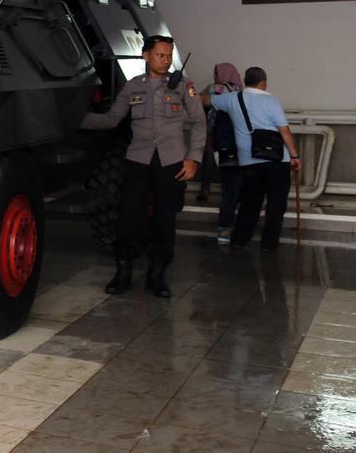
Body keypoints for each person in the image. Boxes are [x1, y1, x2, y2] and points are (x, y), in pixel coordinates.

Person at [81, 35, 205, 298]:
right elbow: (112, 119)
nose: (166, 60)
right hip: (138, 159)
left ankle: (157, 275)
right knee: (129, 217)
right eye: (160, 55)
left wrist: (193, 158)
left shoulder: (183, 86)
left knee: (165, 219)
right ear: (145, 56)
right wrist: (75, 120)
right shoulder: (133, 86)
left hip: (171, 161)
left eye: (169, 55)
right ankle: (123, 271)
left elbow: (199, 122)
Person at [205, 67, 301, 253]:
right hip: (276, 159)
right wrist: (295, 156)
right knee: (276, 204)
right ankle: (268, 245)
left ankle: (239, 239)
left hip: (248, 160)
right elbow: (284, 131)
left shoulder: (232, 98)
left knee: (250, 202)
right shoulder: (271, 101)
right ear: (263, 82)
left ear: (246, 81)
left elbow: (205, 100)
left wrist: (194, 89)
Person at [203, 63, 244, 243]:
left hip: (221, 139)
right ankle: (237, 230)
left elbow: (201, 101)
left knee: (209, 159)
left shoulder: (216, 88)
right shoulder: (241, 90)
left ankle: (205, 189)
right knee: (240, 189)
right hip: (242, 145)